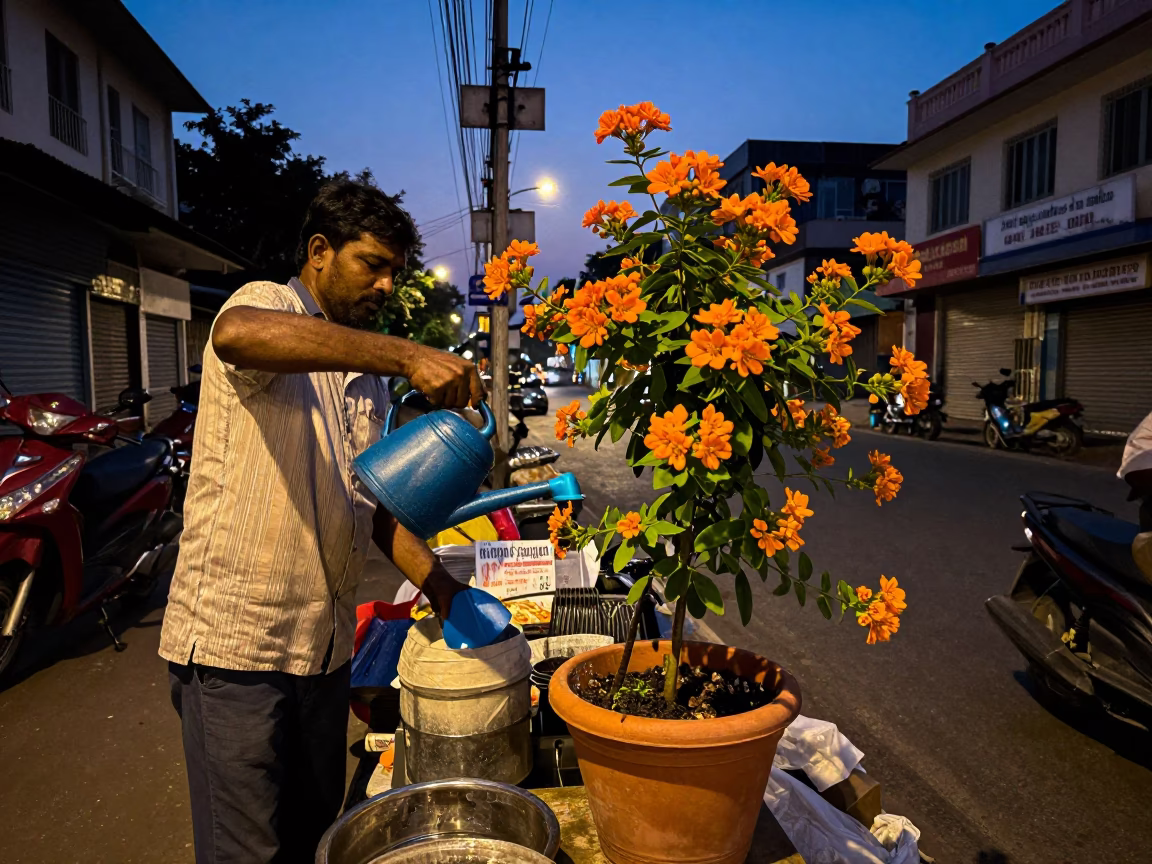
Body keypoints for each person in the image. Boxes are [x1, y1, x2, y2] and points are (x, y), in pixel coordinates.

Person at [160, 180, 483, 863]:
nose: (388, 284)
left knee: (316, 838)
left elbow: (368, 508)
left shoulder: (359, 376)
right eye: (373, 264)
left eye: (396, 270)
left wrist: (445, 589)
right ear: (319, 252)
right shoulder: (265, 304)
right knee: (248, 851)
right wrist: (405, 355)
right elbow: (237, 337)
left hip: (324, 651)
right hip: (236, 649)